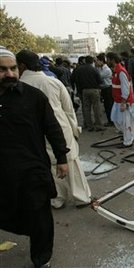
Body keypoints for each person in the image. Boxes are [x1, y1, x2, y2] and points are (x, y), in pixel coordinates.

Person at [0, 46, 69, 268]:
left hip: (32, 169)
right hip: (3, 172)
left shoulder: (33, 97)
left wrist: (62, 158)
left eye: (12, 69)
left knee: (39, 215)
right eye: (2, 70)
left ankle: (42, 258)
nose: (9, 74)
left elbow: (52, 128)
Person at [16, 49, 92, 210]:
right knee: (70, 162)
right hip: (60, 128)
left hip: (36, 133)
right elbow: (69, 109)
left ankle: (57, 198)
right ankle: (81, 197)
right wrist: (74, 129)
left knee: (48, 165)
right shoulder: (53, 82)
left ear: (22, 65)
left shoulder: (19, 86)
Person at [106, 52, 134, 148]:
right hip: (119, 101)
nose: (107, 61)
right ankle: (129, 136)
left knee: (125, 122)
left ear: (112, 60)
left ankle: (128, 141)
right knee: (121, 121)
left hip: (123, 101)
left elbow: (125, 88)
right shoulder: (117, 71)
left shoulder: (120, 72)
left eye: (108, 59)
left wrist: (123, 102)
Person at [70, 55, 104, 132]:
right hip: (94, 90)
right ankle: (99, 125)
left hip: (84, 91)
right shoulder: (94, 69)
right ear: (92, 61)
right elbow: (100, 81)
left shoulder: (78, 69)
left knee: (86, 108)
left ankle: (89, 125)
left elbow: (73, 79)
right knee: (96, 108)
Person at [96, 53, 114, 126]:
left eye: (97, 60)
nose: (96, 62)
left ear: (102, 61)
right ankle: (110, 120)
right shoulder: (101, 69)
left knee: (109, 105)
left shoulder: (106, 70)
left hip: (108, 89)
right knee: (106, 106)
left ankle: (111, 121)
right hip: (104, 89)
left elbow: (98, 77)